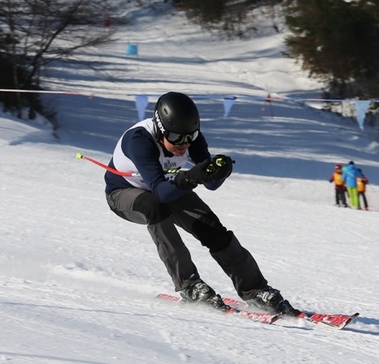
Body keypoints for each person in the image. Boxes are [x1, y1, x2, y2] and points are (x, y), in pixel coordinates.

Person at [104, 91, 299, 316]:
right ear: (160, 129)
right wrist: (192, 176)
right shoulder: (139, 140)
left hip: (167, 187)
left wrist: (219, 171)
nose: (183, 145)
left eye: (190, 137)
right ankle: (189, 285)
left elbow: (211, 184)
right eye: (176, 138)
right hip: (124, 194)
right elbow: (161, 193)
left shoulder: (191, 139)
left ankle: (254, 288)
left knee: (211, 228)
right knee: (153, 207)